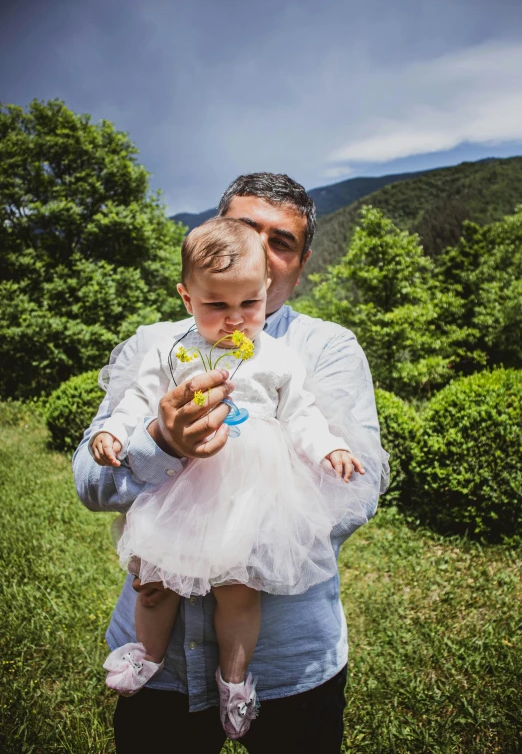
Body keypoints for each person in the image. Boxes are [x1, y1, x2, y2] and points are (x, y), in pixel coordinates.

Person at [73, 172, 389, 754]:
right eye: (245, 231)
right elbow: (91, 483)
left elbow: (355, 494)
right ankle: (143, 652)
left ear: (299, 261)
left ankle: (236, 679)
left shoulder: (322, 350)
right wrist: (156, 444)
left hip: (291, 666)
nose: (261, 254)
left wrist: (230, 540)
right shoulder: (162, 345)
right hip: (166, 670)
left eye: (282, 241)